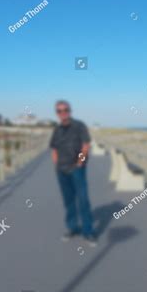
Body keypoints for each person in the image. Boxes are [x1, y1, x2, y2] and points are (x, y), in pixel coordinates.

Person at [49, 100, 97, 246]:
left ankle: (88, 232)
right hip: (61, 171)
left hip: (77, 170)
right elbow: (54, 148)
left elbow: (86, 145)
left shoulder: (79, 126)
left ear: (70, 110)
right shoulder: (57, 130)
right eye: (59, 111)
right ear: (57, 113)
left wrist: (80, 162)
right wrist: (56, 164)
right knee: (68, 201)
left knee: (83, 200)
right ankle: (72, 227)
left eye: (65, 110)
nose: (63, 113)